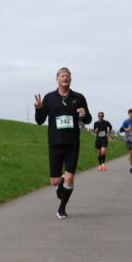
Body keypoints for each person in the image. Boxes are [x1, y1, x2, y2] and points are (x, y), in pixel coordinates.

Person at [34, 68, 91, 218]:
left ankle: (62, 208)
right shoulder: (49, 98)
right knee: (55, 181)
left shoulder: (78, 98)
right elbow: (39, 121)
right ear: (57, 79)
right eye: (62, 76)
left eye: (67, 76)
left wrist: (84, 115)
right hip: (55, 143)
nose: (65, 78)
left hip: (72, 143)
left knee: (70, 178)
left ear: (71, 79)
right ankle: (62, 188)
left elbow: (88, 119)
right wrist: (39, 109)